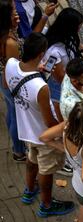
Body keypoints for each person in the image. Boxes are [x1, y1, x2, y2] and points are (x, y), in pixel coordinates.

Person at [4, 32, 74, 217]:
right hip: (43, 135)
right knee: (46, 170)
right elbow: (49, 121)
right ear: (41, 54)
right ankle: (46, 204)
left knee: (31, 159)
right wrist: (62, 128)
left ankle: (29, 190)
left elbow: (7, 83)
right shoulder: (40, 87)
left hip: (25, 129)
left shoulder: (10, 64)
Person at [43, 7, 83, 122]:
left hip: (75, 80)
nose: (80, 28)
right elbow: (60, 77)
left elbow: (73, 46)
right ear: (69, 27)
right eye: (78, 26)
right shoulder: (54, 52)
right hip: (60, 87)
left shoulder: (68, 36)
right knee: (65, 118)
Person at [0, 0, 27, 161]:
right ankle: (19, 151)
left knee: (11, 110)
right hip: (9, 82)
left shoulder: (6, 33)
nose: (16, 12)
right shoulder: (9, 43)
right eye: (13, 10)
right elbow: (14, 70)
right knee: (17, 115)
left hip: (4, 81)